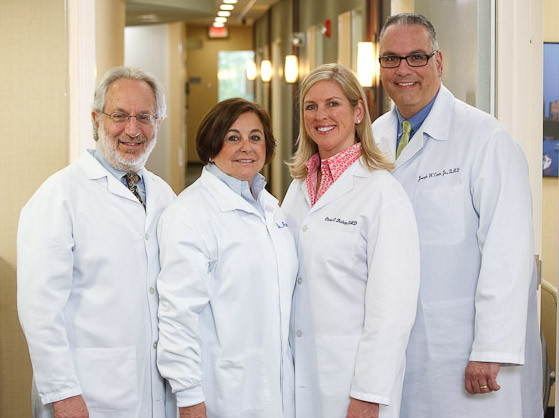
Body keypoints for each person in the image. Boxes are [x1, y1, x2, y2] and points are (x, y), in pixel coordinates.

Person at [372, 13, 543, 418]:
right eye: (391, 59)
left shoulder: (486, 139)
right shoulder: (373, 139)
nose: (403, 70)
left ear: (439, 62)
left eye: (416, 56)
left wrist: (491, 347)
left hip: (466, 348)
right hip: (397, 344)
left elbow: (509, 253)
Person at [17, 66, 177, 418]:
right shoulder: (59, 196)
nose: (132, 130)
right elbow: (39, 309)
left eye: (145, 117)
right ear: (96, 119)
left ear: (159, 123)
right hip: (86, 393)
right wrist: (63, 394)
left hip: (153, 389)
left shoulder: (165, 195)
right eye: (119, 115)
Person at [282, 63, 420, 418]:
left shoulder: (382, 193)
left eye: (333, 104)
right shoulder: (299, 186)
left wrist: (368, 393)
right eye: (310, 106)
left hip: (352, 382)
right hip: (298, 370)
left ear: (359, 111)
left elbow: (393, 308)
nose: (320, 116)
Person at [156, 98, 297, 418]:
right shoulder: (190, 213)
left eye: (255, 137)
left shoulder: (271, 208)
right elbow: (178, 314)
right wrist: (190, 398)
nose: (246, 147)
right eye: (233, 137)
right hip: (221, 393)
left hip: (274, 389)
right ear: (211, 146)